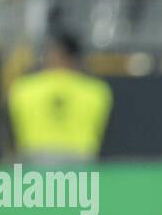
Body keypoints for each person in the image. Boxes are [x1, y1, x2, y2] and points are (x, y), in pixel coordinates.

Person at [6, 31, 112, 163]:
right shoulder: (97, 91)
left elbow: (9, 129)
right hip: (81, 163)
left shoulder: (23, 88)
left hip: (34, 163)